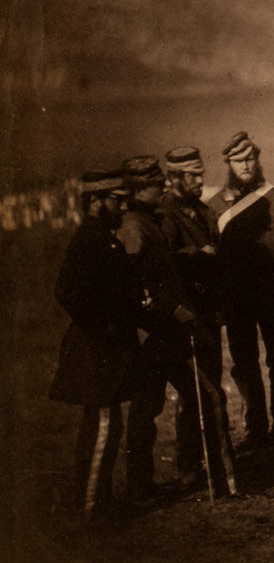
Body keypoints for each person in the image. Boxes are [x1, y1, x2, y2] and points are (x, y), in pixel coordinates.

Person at [49, 170, 142, 521]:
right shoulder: (90, 239)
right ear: (96, 202)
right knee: (104, 427)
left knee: (106, 425)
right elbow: (66, 292)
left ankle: (95, 500)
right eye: (116, 201)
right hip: (97, 351)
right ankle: (90, 507)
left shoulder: (102, 236)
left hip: (105, 349)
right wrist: (102, 324)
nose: (122, 207)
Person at [208, 132, 274, 449]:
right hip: (236, 300)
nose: (246, 165)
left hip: (272, 294)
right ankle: (256, 427)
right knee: (244, 363)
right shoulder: (215, 206)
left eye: (251, 158)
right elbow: (214, 260)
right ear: (229, 164)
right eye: (239, 161)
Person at [118, 155, 201, 503]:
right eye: (156, 184)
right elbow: (138, 285)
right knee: (146, 409)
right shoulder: (134, 228)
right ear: (139, 190)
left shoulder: (148, 221)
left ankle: (185, 470)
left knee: (182, 399)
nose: (164, 187)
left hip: (165, 332)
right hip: (153, 335)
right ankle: (139, 485)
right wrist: (175, 310)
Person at [160, 146, 236, 495]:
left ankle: (198, 463)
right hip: (185, 317)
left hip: (208, 314)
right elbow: (163, 262)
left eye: (200, 173)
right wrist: (198, 254)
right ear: (174, 178)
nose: (200, 180)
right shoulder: (166, 215)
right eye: (192, 175)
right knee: (198, 393)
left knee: (206, 387)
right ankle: (194, 466)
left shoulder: (202, 212)